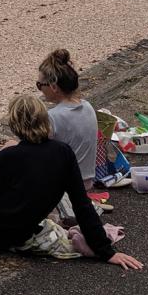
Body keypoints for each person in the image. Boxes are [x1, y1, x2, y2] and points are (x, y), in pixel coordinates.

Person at [0, 94, 142, 270]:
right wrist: (107, 252)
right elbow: (81, 204)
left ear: (15, 126)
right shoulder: (63, 153)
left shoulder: (7, 158)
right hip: (21, 233)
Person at [38, 50, 97, 191]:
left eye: (40, 85)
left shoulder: (52, 117)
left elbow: (36, 154)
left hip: (64, 187)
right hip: (86, 182)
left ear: (53, 86)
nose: (40, 90)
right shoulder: (87, 107)